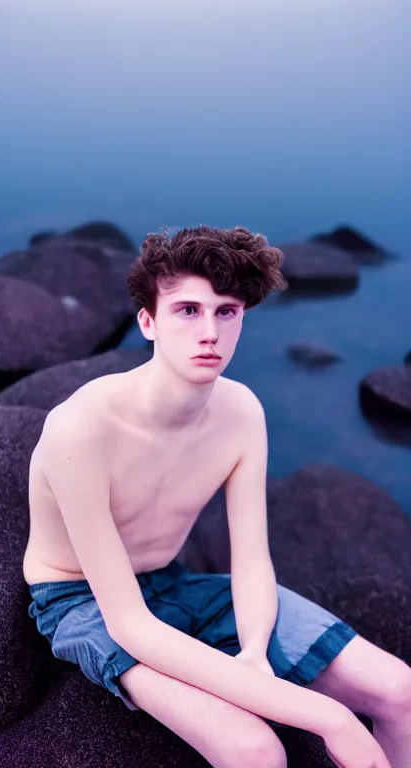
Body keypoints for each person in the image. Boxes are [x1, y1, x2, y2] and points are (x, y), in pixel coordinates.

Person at [24, 226, 410, 768]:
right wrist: (328, 716)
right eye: (187, 311)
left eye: (226, 312)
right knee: (253, 750)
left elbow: (250, 557)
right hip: (84, 600)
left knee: (400, 691)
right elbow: (129, 625)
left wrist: (254, 653)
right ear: (148, 322)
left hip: (180, 583)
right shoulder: (80, 429)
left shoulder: (242, 412)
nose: (209, 332)